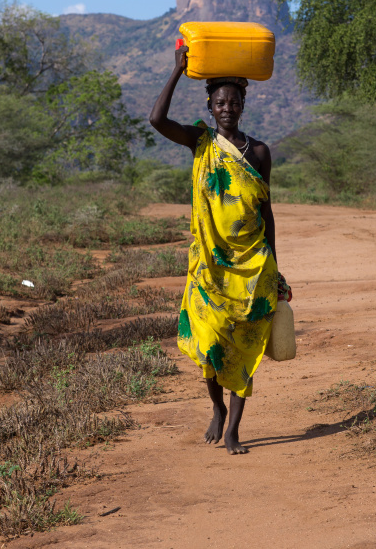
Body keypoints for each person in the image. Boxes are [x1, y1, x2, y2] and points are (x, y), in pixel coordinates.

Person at [149, 44, 278, 455]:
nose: (227, 108)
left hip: (252, 266)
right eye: (220, 102)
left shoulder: (258, 152)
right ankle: (217, 410)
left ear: (243, 106)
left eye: (233, 102)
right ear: (210, 105)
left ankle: (235, 430)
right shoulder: (199, 142)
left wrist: (276, 264)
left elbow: (266, 211)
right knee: (209, 344)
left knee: (243, 345)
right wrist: (176, 70)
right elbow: (156, 119)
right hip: (208, 266)